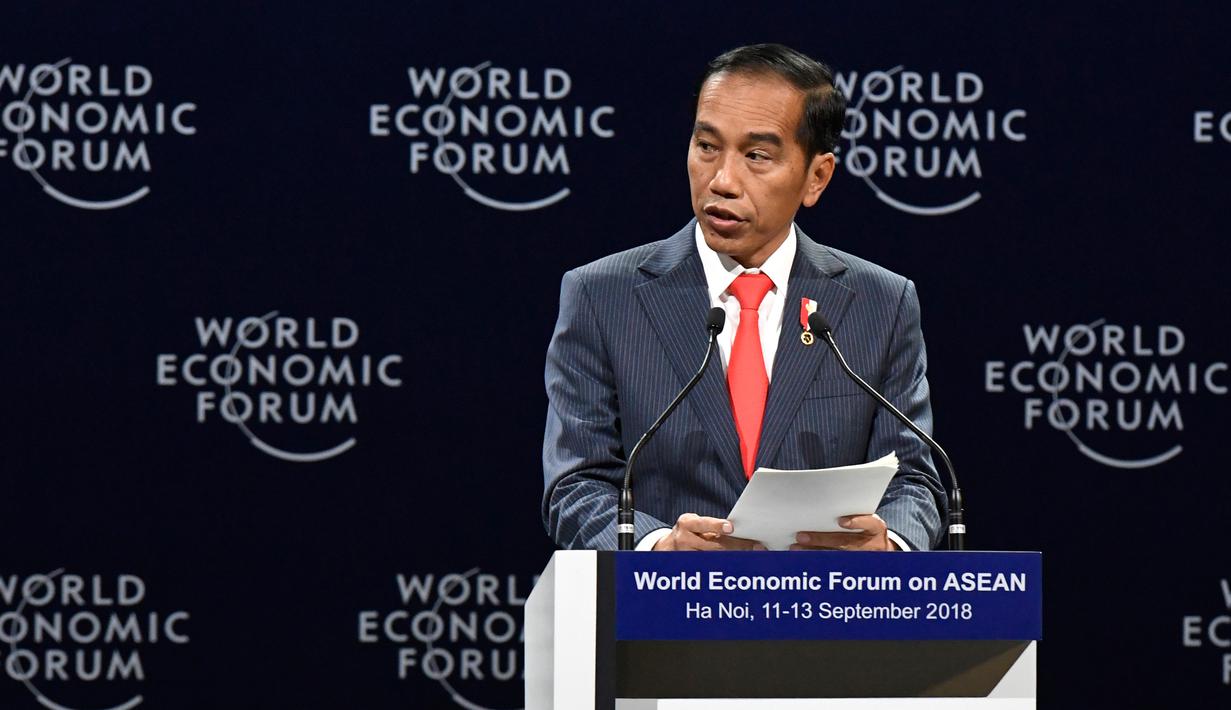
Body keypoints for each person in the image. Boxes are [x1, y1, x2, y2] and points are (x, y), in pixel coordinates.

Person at [542, 43, 946, 552]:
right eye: (707, 146)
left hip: (826, 614)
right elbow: (575, 484)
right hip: (664, 618)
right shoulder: (602, 297)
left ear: (816, 177)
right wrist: (657, 546)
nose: (722, 180)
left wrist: (890, 546)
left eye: (756, 156)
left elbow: (915, 480)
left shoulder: (879, 304)